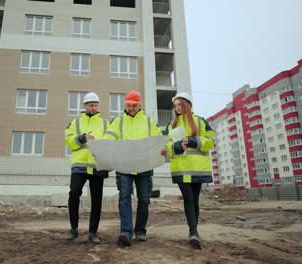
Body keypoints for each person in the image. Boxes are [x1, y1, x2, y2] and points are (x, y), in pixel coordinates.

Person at [104, 90, 162, 246]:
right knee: (124, 197)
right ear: (125, 104)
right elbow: (109, 138)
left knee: (144, 199)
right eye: (128, 105)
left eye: (134, 105)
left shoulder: (149, 121)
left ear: (139, 104)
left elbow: (157, 139)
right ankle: (126, 232)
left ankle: (140, 231)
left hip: (144, 166)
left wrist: (162, 148)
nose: (131, 108)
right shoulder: (118, 121)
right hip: (124, 165)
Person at [162, 92, 215, 249]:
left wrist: (192, 140)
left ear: (188, 105)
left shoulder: (200, 121)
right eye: (175, 106)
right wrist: (178, 146)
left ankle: (194, 231)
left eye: (180, 104)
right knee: (188, 199)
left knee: (195, 200)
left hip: (198, 168)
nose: (177, 108)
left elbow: (211, 141)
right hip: (181, 169)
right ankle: (193, 232)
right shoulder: (172, 125)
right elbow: (166, 147)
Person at [64, 92, 109, 244]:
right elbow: (69, 142)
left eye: (95, 105)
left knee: (96, 200)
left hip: (98, 167)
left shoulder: (105, 124)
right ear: (84, 106)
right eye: (91, 105)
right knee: (74, 193)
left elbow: (110, 143)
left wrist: (109, 162)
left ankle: (93, 232)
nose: (93, 108)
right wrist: (83, 137)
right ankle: (73, 229)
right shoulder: (75, 123)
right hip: (80, 166)